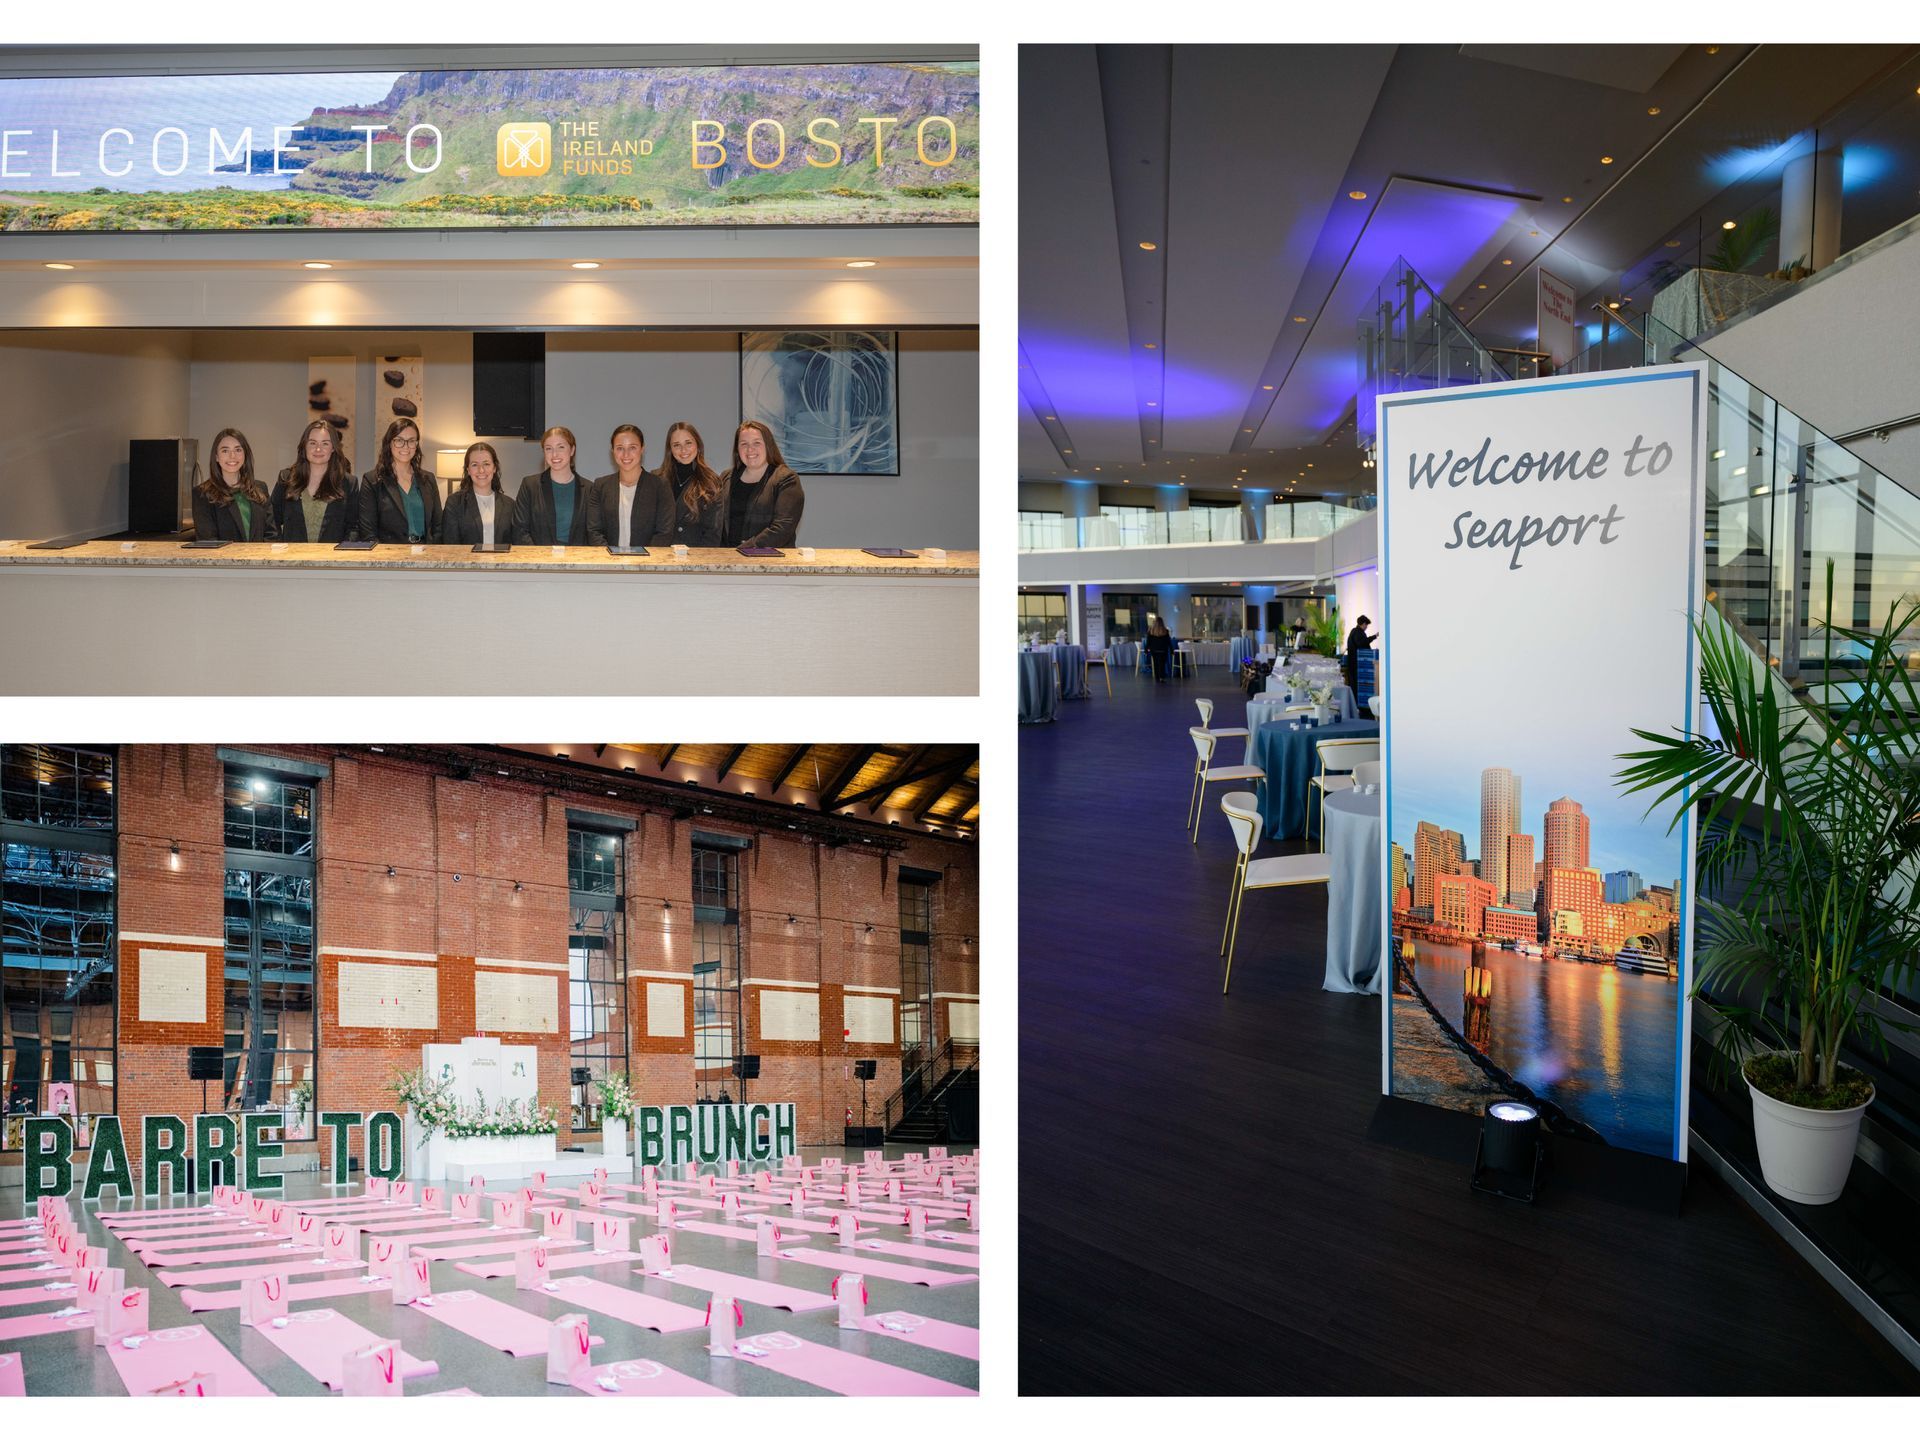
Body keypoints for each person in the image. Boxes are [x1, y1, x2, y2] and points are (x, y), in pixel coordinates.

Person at [587, 424, 676, 550]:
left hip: (649, 560)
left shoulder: (660, 486)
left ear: (642, 449)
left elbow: (664, 533)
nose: (626, 454)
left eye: (632, 447)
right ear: (612, 451)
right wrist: (610, 558)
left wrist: (644, 558)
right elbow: (594, 531)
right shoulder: (600, 486)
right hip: (608, 560)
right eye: (620, 448)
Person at [718, 420, 804, 548]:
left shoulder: (787, 479)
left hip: (769, 558)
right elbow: (716, 522)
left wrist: (745, 549)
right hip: (728, 557)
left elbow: (783, 527)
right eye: (744, 444)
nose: (750, 449)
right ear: (737, 449)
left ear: (768, 446)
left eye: (757, 443)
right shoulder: (726, 478)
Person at [357, 417, 442, 543]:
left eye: (411, 441)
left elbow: (438, 526)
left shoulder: (428, 479)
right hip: (389, 553)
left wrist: (433, 552)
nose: (406, 446)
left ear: (416, 445)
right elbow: (368, 533)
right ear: (389, 443)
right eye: (399, 440)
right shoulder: (372, 481)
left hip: (426, 551)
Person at [271, 419, 354, 542]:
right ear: (304, 446)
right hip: (292, 553)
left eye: (325, 443)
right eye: (312, 443)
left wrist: (343, 551)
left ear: (333, 448)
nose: (318, 449)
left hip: (332, 554)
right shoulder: (286, 478)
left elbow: (353, 527)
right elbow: (272, 521)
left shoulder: (348, 483)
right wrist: (279, 548)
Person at [512, 425, 593, 546]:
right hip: (538, 556)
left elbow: (593, 532)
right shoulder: (530, 485)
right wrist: (539, 556)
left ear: (572, 450)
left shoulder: (589, 489)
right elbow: (519, 530)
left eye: (561, 447)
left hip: (577, 557)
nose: (554, 454)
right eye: (548, 448)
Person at [191, 428, 275, 541]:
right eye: (225, 451)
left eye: (238, 450)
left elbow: (272, 535)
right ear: (216, 457)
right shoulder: (202, 494)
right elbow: (208, 542)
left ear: (245, 455)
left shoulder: (260, 488)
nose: (232, 456)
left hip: (261, 553)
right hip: (224, 554)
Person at [661, 420, 725, 546]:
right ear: (670, 449)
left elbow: (713, 535)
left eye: (688, 443)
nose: (683, 450)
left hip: (695, 556)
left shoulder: (712, 482)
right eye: (676, 445)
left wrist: (695, 558)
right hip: (661, 554)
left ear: (698, 445)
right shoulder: (657, 479)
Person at [440, 442, 510, 547]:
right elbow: (450, 545)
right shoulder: (454, 503)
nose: (481, 470)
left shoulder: (509, 505)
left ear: (494, 468)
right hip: (463, 558)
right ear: (468, 470)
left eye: (486, 464)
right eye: (474, 465)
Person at [1344, 614, 1375, 695]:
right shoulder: (1357, 632)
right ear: (1363, 624)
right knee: (1355, 684)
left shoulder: (1355, 631)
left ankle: (1354, 701)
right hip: (1355, 663)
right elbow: (1362, 643)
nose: (1366, 627)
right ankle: (1355, 702)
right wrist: (1374, 636)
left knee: (1354, 684)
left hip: (1354, 662)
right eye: (1366, 625)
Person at [1144, 616, 1174, 683]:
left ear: (1154, 622)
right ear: (1162, 623)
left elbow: (1148, 642)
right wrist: (1172, 650)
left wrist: (1146, 650)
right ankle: (1161, 678)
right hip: (1163, 650)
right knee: (1162, 664)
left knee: (1155, 663)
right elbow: (1168, 642)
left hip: (1154, 650)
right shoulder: (1165, 631)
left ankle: (1157, 677)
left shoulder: (1150, 631)